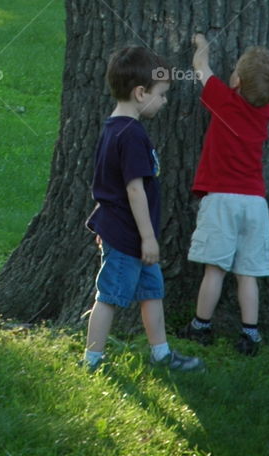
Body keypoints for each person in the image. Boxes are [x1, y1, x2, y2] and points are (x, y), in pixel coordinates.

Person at [84, 44, 202, 372]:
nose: (164, 102)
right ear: (140, 93)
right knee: (109, 296)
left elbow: (106, 184)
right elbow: (133, 190)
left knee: (152, 292)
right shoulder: (131, 134)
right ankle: (92, 359)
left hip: (126, 232)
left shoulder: (113, 128)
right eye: (161, 95)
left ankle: (161, 353)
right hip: (129, 237)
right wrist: (148, 238)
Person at [181, 32, 269, 356]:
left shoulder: (224, 101)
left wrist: (202, 44)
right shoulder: (265, 112)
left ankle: (200, 326)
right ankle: (250, 334)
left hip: (222, 199)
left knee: (215, 269)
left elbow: (201, 66)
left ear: (237, 81)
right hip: (255, 203)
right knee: (248, 273)